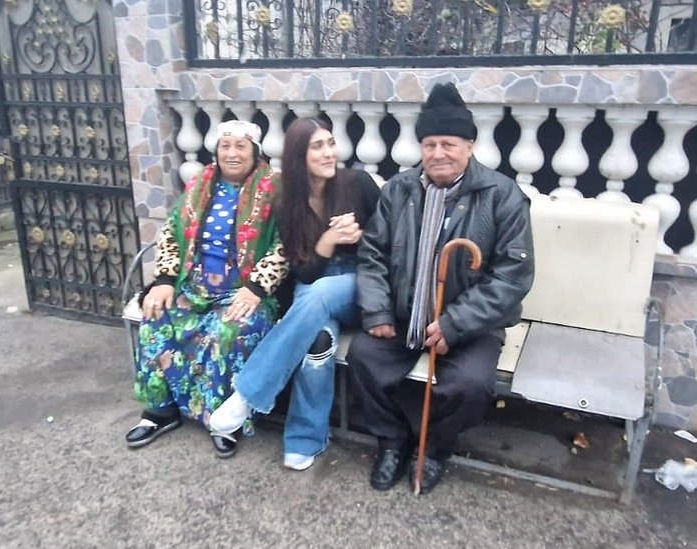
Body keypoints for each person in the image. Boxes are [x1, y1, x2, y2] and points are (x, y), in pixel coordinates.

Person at [349, 83, 535, 494]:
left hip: (468, 327)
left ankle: (433, 449)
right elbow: (373, 254)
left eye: (448, 143)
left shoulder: (502, 196)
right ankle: (392, 441)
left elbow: (512, 276)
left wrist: (455, 324)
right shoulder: (398, 190)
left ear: (470, 145)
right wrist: (378, 312)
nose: (437, 154)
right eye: (429, 143)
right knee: (363, 358)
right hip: (403, 314)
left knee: (469, 386)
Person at [209, 118, 380, 471]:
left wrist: (360, 237)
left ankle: (247, 394)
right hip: (314, 288)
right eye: (317, 147)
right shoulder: (289, 202)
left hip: (362, 283)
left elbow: (391, 246)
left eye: (331, 143)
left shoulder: (358, 183)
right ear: (298, 156)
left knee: (318, 295)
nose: (329, 153)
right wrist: (327, 242)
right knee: (317, 339)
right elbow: (304, 271)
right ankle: (306, 439)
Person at [126, 120, 288, 458]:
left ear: (254, 152)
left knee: (234, 329)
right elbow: (171, 232)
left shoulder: (275, 187)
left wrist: (258, 287)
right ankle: (160, 410)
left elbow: (287, 243)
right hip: (194, 286)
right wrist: (165, 281)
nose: (232, 153)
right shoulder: (200, 184)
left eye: (240, 147)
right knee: (156, 313)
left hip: (243, 290)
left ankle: (222, 421)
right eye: (225, 146)